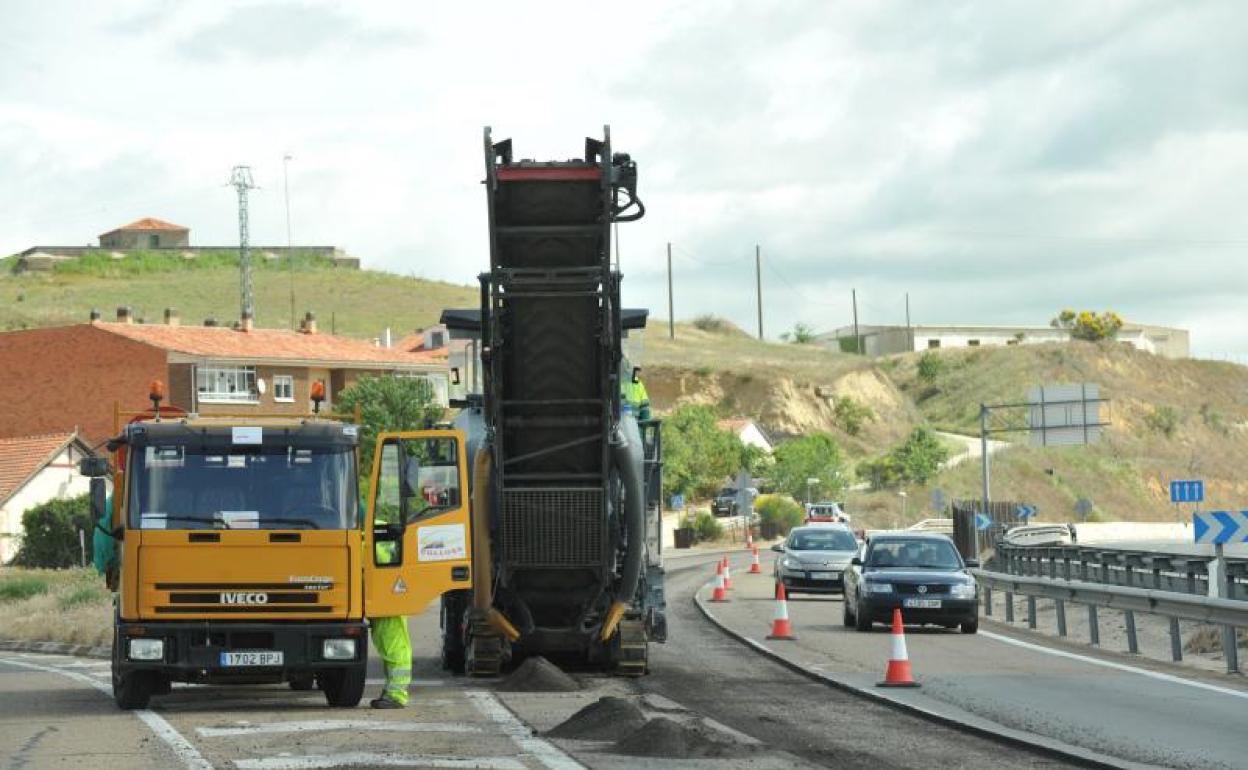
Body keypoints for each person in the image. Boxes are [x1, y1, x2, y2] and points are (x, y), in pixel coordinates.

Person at [369, 516, 411, 709]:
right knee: (389, 646)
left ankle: (396, 694)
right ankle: (392, 692)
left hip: (387, 599)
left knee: (393, 647)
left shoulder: (366, 533)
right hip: (386, 598)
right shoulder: (379, 527)